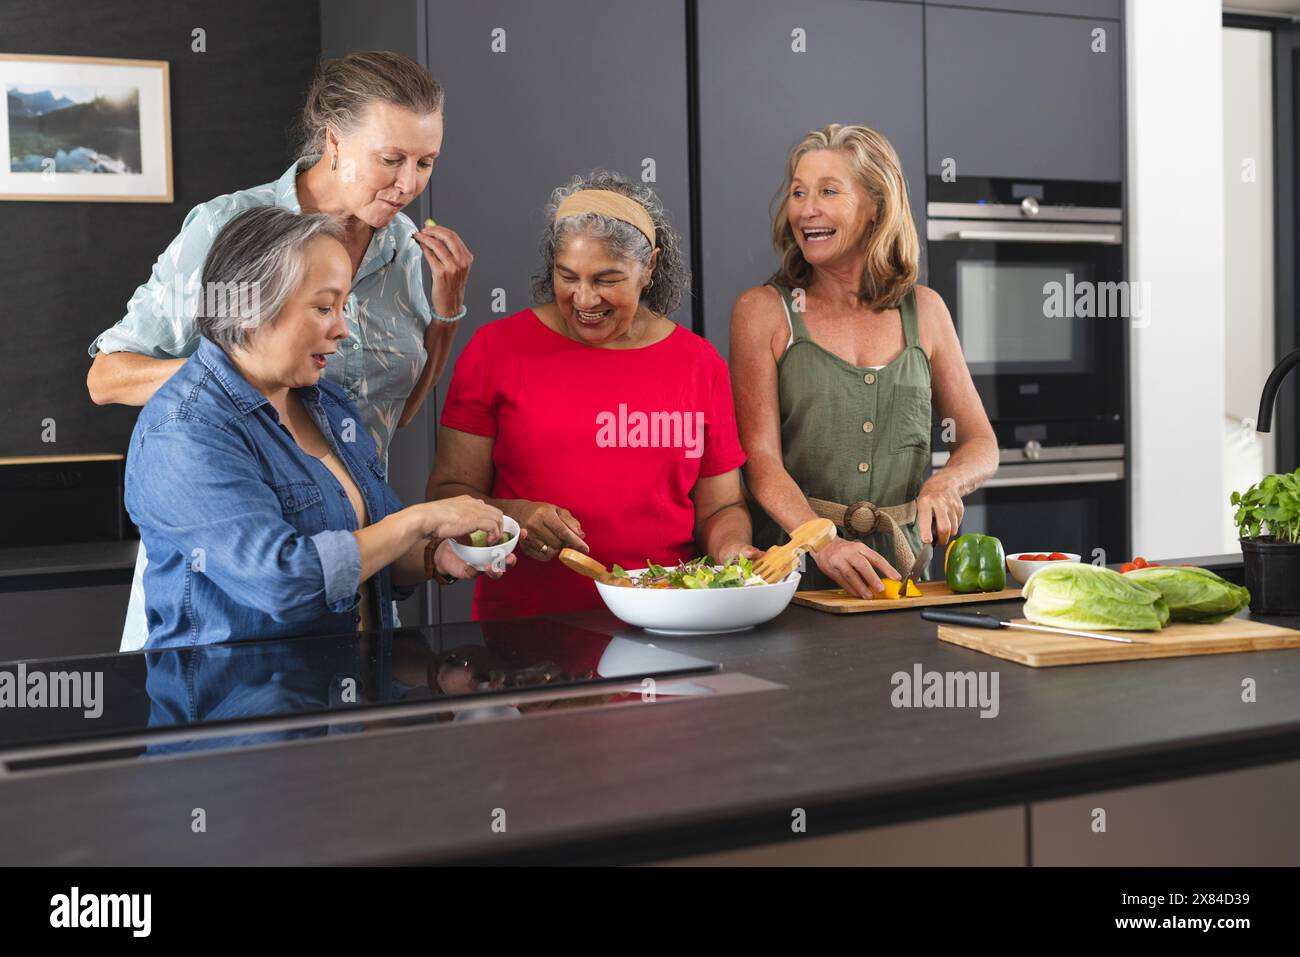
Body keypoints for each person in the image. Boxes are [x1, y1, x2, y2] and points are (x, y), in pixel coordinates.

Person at [86, 51, 475, 650]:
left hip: (358, 547)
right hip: (235, 552)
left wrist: (445, 316)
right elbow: (107, 378)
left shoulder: (405, 248)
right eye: (391, 159)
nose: (410, 184)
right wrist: (246, 387)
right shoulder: (231, 229)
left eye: (427, 162)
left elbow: (391, 415)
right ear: (335, 141)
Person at [125, 206, 515, 648]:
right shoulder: (184, 432)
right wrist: (421, 519)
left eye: (343, 307)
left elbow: (371, 551)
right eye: (324, 307)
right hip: (244, 710)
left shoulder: (327, 405)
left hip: (352, 703)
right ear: (249, 307)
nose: (343, 330)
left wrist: (437, 555)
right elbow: (283, 581)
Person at [428, 172, 761, 619]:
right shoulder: (496, 350)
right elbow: (447, 496)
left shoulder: (699, 364)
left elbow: (720, 507)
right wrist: (514, 514)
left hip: (668, 623)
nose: (584, 298)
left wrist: (732, 548)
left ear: (649, 267)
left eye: (607, 280)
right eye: (568, 276)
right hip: (527, 632)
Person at [730, 124, 998, 597]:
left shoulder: (926, 311)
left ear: (876, 206)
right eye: (798, 192)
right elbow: (761, 459)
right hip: (793, 578)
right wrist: (823, 542)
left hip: (904, 575)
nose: (805, 209)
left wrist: (947, 482)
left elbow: (980, 442)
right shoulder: (763, 311)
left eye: (828, 191)